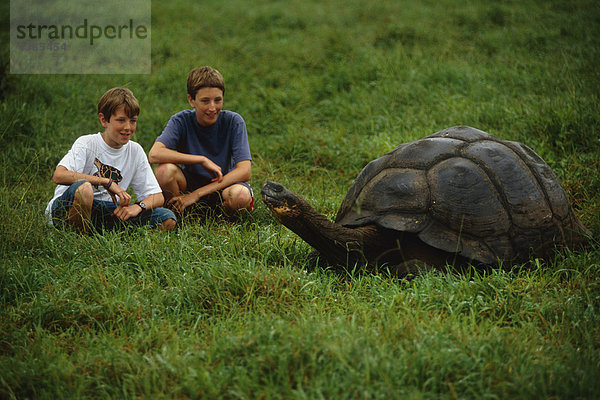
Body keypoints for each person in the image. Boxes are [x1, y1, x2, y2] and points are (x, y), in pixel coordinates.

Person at [45, 87, 177, 233]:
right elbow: (59, 175)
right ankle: (78, 241)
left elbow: (157, 196)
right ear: (103, 120)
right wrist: (106, 182)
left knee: (167, 218)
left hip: (108, 211)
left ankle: (105, 235)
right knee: (84, 189)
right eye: (121, 120)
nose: (128, 127)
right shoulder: (87, 143)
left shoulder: (135, 150)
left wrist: (138, 207)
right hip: (67, 208)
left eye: (133, 121)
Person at [148, 66, 253, 217]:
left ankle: (224, 220)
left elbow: (245, 170)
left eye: (218, 100)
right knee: (164, 171)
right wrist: (201, 160)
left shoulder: (233, 121)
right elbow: (154, 155)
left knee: (240, 196)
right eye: (205, 101)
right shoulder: (181, 121)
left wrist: (197, 194)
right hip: (189, 184)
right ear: (191, 100)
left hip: (223, 185)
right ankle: (179, 214)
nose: (212, 108)